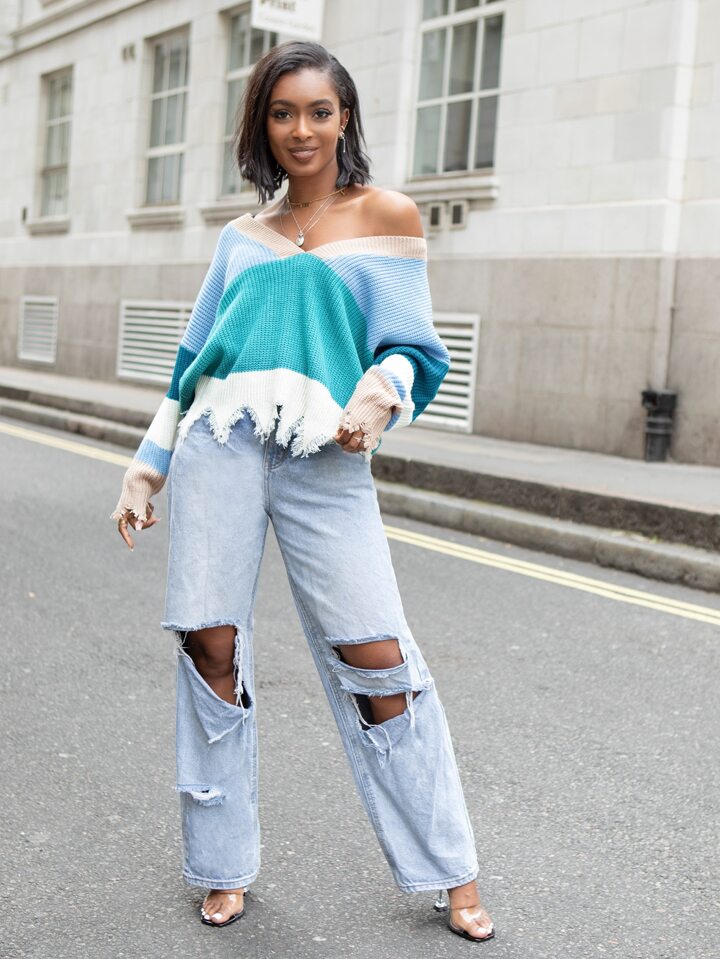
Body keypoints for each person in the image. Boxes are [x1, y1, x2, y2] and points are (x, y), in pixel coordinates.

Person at [111, 39, 495, 944]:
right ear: (263, 125)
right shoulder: (239, 239)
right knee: (209, 644)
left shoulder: (386, 216)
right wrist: (146, 464)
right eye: (283, 112)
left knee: (378, 656)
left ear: (344, 117)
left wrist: (382, 390)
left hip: (327, 458)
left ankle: (451, 869)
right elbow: (191, 362)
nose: (302, 129)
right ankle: (222, 863)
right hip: (219, 447)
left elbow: (414, 347)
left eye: (319, 111)